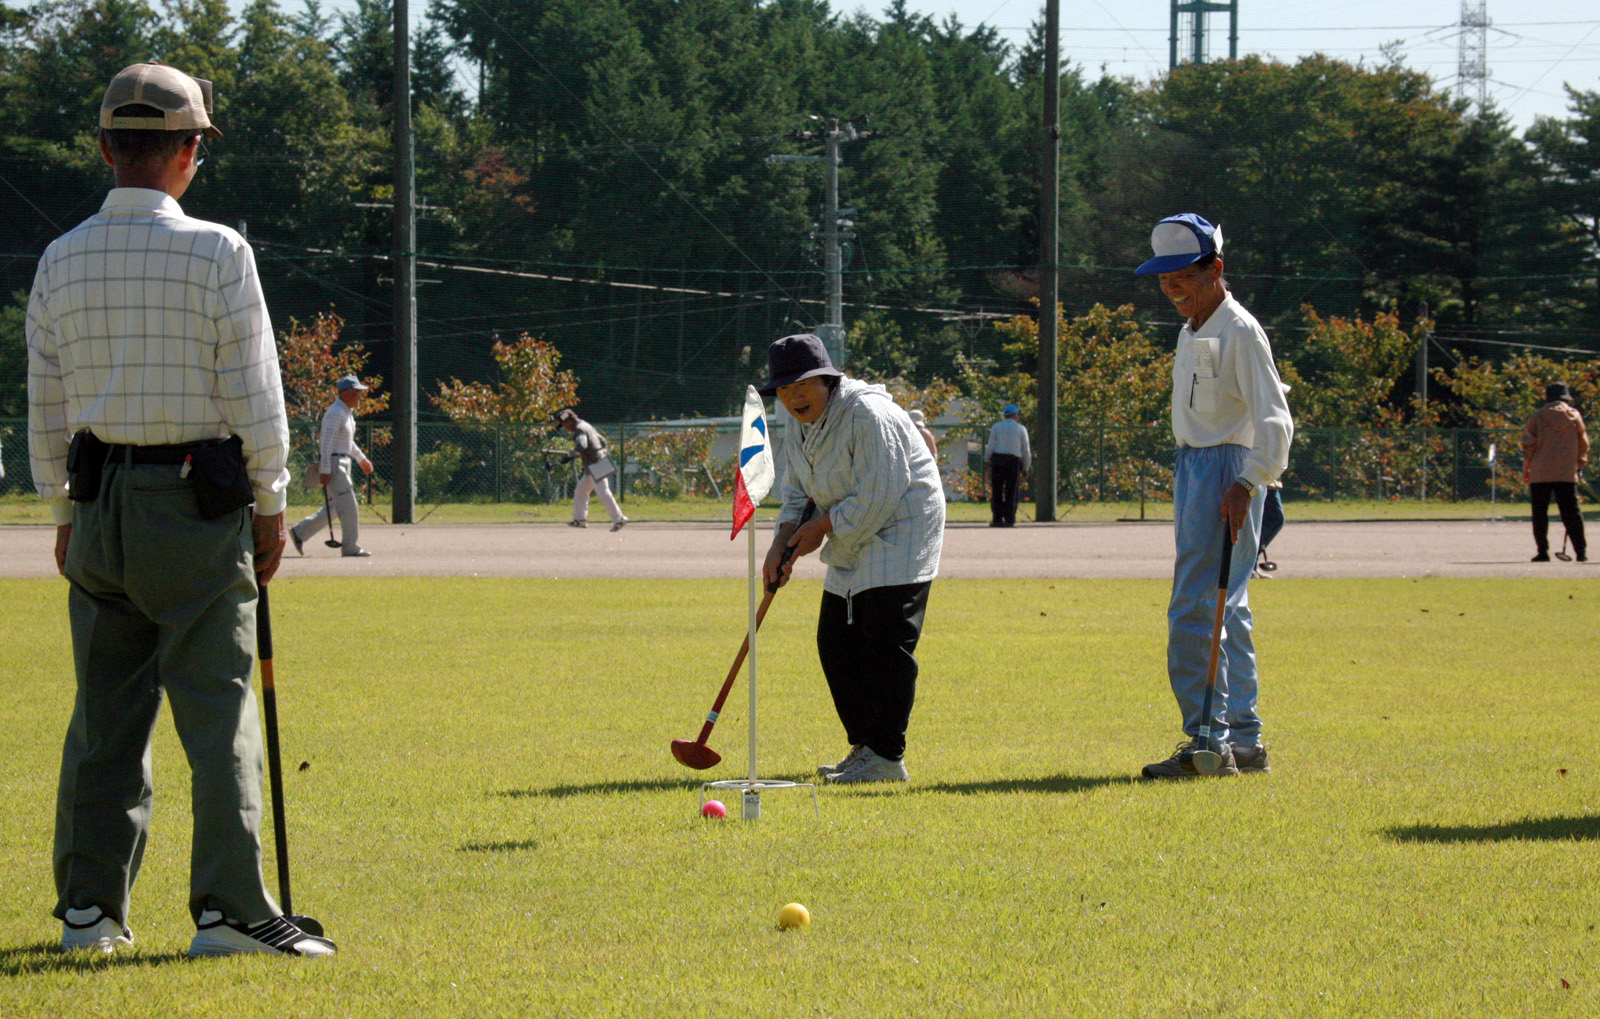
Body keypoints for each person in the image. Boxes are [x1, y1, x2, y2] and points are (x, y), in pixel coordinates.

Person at [25, 61, 335, 957]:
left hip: (97, 503)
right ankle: (231, 910)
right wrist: (272, 504)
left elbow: (45, 402)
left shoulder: (59, 256)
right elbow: (255, 396)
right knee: (218, 708)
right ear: (191, 151)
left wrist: (60, 510)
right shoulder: (217, 251)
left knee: (104, 717)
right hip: (195, 505)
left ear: (103, 147)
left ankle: (89, 909)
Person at [1132, 213, 1293, 780]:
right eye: (1162, 276)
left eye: (1181, 273)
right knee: (1231, 608)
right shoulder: (1193, 328)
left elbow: (1276, 417)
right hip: (1198, 463)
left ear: (1214, 269)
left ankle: (1207, 740)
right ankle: (1244, 740)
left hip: (1228, 467)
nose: (1171, 286)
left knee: (1197, 606)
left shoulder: (1240, 330)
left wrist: (1249, 482)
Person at [759, 333, 945, 784]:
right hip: (848, 527)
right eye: (783, 390)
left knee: (884, 641)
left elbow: (881, 491)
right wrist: (781, 541)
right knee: (835, 643)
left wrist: (818, 530)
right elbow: (797, 491)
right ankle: (865, 748)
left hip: (901, 526)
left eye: (803, 385)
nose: (793, 397)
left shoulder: (867, 413)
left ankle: (886, 756)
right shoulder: (796, 424)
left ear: (828, 380)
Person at [290, 375, 375, 558]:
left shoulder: (346, 414)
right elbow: (326, 443)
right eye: (356, 392)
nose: (359, 396)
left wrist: (361, 459)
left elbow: (347, 443)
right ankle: (350, 547)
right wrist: (325, 469)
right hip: (336, 464)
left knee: (335, 508)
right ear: (345, 393)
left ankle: (299, 532)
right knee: (349, 505)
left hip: (342, 462)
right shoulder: (336, 412)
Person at [1523, 381, 1588, 562]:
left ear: (1547, 398)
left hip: (1540, 471)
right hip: (1566, 472)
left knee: (1540, 513)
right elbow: (1584, 444)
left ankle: (1543, 551)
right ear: (1565, 398)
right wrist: (1579, 464)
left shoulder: (1537, 416)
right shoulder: (1575, 416)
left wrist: (1526, 469)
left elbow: (1529, 445)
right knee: (1572, 512)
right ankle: (1581, 552)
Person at [555, 407, 627, 531]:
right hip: (596, 463)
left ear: (569, 421)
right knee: (581, 491)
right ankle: (580, 519)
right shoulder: (586, 425)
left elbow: (582, 445)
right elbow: (603, 441)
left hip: (596, 464)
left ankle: (619, 518)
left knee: (603, 492)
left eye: (564, 424)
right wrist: (601, 454)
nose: (565, 428)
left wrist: (569, 455)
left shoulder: (579, 429)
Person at [983, 403, 1031, 527]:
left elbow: (991, 445)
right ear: (1015, 415)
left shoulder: (996, 427)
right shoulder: (1021, 429)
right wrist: (1026, 466)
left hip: (998, 459)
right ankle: (1010, 519)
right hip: (1014, 461)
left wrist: (987, 459)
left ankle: (997, 518)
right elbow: (1026, 450)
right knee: (1011, 490)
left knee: (997, 490)